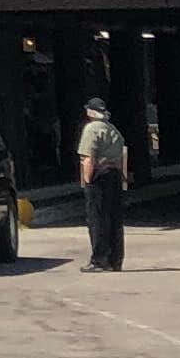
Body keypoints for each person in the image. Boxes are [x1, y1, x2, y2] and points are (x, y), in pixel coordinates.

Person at [78, 90, 128, 272]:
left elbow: (88, 157)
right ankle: (115, 260)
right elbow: (122, 155)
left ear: (90, 112)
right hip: (114, 175)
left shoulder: (91, 129)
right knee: (114, 218)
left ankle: (99, 260)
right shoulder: (113, 129)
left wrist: (87, 180)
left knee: (97, 217)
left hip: (99, 175)